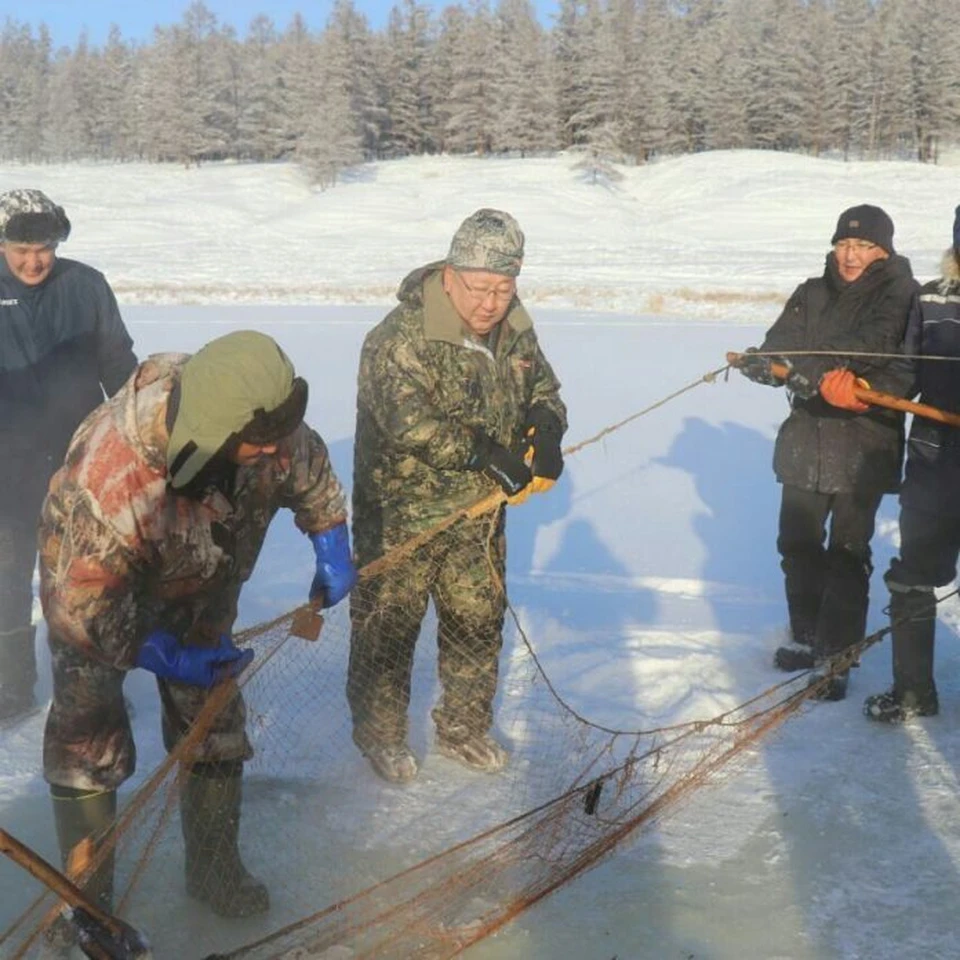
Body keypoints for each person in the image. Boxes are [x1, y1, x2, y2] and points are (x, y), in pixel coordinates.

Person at [38, 330, 357, 924]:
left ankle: (214, 871)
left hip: (202, 571)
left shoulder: (265, 419)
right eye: (260, 442)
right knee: (87, 734)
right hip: (98, 590)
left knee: (213, 716)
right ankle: (85, 900)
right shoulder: (111, 475)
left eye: (278, 434)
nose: (274, 449)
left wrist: (329, 534)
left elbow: (308, 466)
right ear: (217, 429)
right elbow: (79, 604)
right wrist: (157, 650)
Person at [347, 208, 567, 784]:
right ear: (450, 275)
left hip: (480, 514)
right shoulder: (398, 338)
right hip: (403, 517)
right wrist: (486, 454)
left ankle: (464, 728)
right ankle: (380, 735)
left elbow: (543, 387)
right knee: (388, 629)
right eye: (480, 288)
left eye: (504, 288)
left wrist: (547, 430)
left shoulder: (514, 327)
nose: (491, 303)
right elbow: (409, 423)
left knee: (477, 620)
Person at [739, 204, 917, 700]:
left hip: (865, 441)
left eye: (863, 246)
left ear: (883, 251)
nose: (850, 255)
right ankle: (805, 637)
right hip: (806, 438)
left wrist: (859, 388)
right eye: (843, 244)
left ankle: (837, 656)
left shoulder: (902, 294)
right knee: (796, 542)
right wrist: (766, 363)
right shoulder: (811, 292)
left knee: (846, 552)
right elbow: (780, 344)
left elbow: (890, 356)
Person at [0, 188, 137, 722]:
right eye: (22, 250)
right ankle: (11, 686)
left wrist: (136, 433)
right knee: (7, 578)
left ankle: (91, 685)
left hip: (79, 462)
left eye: (45, 249)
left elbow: (119, 365)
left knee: (87, 580)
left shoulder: (86, 286)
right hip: (7, 465)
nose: (34, 261)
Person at [864, 206, 960, 723]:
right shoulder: (931, 298)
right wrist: (864, 391)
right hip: (934, 461)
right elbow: (905, 370)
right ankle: (912, 692)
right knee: (912, 577)